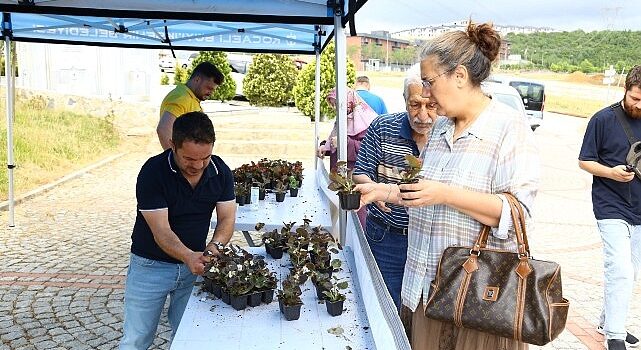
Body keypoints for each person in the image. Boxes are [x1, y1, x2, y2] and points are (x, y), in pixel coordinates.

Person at [354, 21, 539, 350]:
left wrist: (446, 194)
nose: (425, 93)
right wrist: (385, 191)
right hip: (425, 292)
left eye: (429, 82)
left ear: (460, 76)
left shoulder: (508, 127)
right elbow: (426, 192)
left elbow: (518, 213)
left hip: (475, 300)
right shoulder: (440, 130)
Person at [120, 111, 236, 349]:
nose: (198, 165)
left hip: (195, 267)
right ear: (173, 145)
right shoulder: (153, 172)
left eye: (205, 157)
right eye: (189, 159)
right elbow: (161, 231)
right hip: (149, 267)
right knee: (136, 339)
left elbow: (226, 219)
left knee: (189, 339)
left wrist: (213, 250)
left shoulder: (220, 170)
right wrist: (187, 256)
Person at [352, 75, 436, 311]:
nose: (422, 115)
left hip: (430, 242)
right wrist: (374, 190)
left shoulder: (445, 136)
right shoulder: (382, 127)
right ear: (404, 100)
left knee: (422, 311)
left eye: (430, 105)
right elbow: (360, 172)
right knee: (385, 306)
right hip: (386, 237)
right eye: (415, 105)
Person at [578, 64, 641, 350]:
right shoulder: (602, 119)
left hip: (640, 209)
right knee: (620, 269)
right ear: (625, 89)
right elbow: (584, 161)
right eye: (635, 98)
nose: (638, 105)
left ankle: (607, 319)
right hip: (611, 205)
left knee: (631, 271)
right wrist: (612, 172)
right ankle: (614, 334)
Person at [157, 62, 224, 150]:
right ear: (197, 80)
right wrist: (175, 159)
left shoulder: (189, 97)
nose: (211, 92)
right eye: (209, 88)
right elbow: (163, 129)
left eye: (213, 90)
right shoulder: (182, 98)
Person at [317, 87, 378, 171]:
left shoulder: (368, 122)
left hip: (356, 175)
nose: (335, 108)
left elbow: (368, 150)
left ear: (349, 102)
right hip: (339, 174)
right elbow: (334, 141)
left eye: (337, 104)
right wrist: (325, 147)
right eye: (333, 104)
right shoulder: (342, 119)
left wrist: (344, 142)